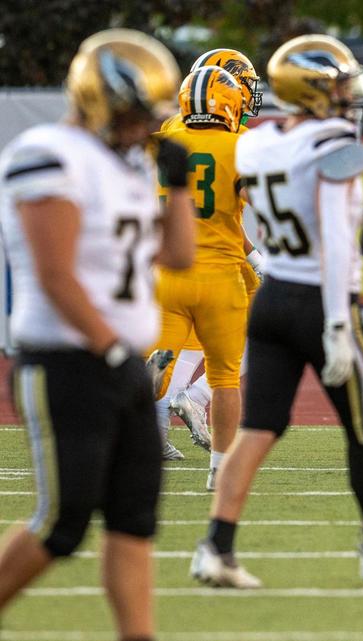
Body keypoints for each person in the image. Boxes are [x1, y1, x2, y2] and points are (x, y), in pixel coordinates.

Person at [190, 34, 363, 587]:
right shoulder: (332, 140)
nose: (350, 95)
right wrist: (336, 325)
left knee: (258, 428)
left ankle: (215, 547)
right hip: (321, 301)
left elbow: (290, 211)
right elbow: (332, 235)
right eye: (339, 85)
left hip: (273, 299)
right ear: (312, 91)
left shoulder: (258, 143)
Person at [0, 28, 194, 640]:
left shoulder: (126, 164)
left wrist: (179, 188)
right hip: (67, 360)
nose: (144, 128)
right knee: (62, 521)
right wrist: (111, 350)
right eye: (137, 114)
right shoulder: (48, 153)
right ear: (100, 100)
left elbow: (178, 255)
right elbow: (55, 274)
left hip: (121, 360)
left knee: (134, 519)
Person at [154, 48, 265, 473]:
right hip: (219, 261)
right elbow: (235, 206)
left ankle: (158, 422)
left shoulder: (170, 132)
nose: (248, 94)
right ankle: (196, 403)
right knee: (255, 337)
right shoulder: (237, 143)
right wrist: (257, 255)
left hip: (170, 258)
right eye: (242, 85)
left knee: (175, 344)